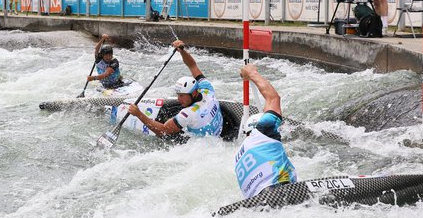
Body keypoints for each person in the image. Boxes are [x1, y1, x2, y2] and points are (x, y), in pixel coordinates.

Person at [127, 40, 223, 138]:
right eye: (178, 95)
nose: (178, 99)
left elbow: (164, 131)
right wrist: (182, 51)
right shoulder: (207, 88)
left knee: (167, 126)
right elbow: (192, 65)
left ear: (194, 93)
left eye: (182, 95)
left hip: (201, 145)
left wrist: (139, 114)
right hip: (218, 132)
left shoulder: (188, 114)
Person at [234, 63, 297, 199]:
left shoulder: (238, 156)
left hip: (259, 204)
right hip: (282, 193)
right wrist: (252, 73)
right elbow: (273, 98)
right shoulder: (262, 132)